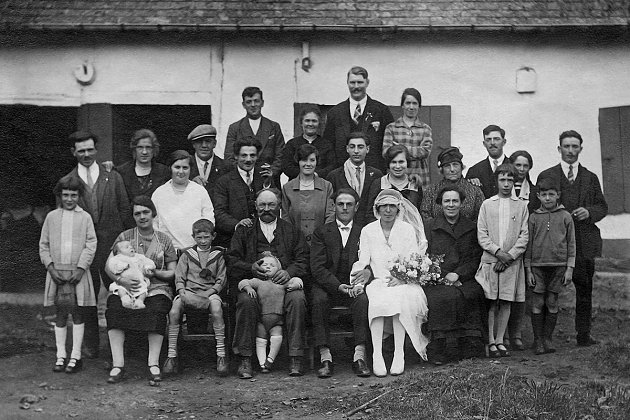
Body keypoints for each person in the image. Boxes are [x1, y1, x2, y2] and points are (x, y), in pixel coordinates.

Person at [61, 130, 131, 358]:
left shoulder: (112, 176)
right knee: (86, 297)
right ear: (73, 153)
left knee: (120, 292)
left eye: (90, 149)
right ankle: (91, 343)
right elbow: (65, 220)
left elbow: (124, 210)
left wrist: (124, 244)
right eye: (81, 151)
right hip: (84, 250)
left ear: (96, 149)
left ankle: (120, 343)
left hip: (112, 246)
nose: (87, 154)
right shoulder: (68, 183)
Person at [227, 189, 308, 379]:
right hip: (255, 285)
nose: (266, 209)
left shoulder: (291, 230)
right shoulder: (244, 231)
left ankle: (295, 356)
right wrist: (250, 268)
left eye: (271, 205)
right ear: (255, 207)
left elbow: (303, 258)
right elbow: (231, 260)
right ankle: (245, 358)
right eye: (262, 205)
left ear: (279, 206)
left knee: (297, 298)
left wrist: (289, 272)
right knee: (245, 301)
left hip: (283, 286)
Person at [537, 130, 608, 347]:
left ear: (580, 149)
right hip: (553, 244)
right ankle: (542, 338)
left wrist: (589, 212)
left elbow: (602, 207)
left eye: (574, 146)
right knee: (545, 290)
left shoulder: (590, 177)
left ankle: (583, 334)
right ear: (559, 149)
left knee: (584, 288)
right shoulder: (547, 175)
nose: (570, 151)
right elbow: (537, 207)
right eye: (566, 146)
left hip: (584, 241)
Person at [351, 189, 429, 377]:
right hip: (378, 280)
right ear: (377, 209)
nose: (388, 210)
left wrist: (402, 277)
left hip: (402, 281)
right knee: (376, 298)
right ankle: (377, 354)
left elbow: (413, 257)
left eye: (392, 206)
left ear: (398, 208)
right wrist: (358, 282)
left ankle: (398, 353)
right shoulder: (368, 230)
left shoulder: (406, 229)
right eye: (384, 206)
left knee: (399, 298)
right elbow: (363, 260)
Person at [104, 196, 178, 385]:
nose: (142, 216)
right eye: (137, 213)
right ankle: (118, 364)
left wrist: (156, 272)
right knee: (114, 306)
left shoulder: (164, 239)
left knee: (157, 307)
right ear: (133, 216)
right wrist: (121, 280)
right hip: (126, 287)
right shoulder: (124, 238)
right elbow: (108, 266)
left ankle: (153, 363)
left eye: (146, 212)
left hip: (157, 287)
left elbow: (173, 272)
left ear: (153, 213)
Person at [310, 188, 372, 378]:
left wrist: (369, 272)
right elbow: (317, 267)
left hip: (354, 285)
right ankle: (325, 356)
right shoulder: (322, 232)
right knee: (318, 299)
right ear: (334, 206)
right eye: (340, 204)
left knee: (363, 301)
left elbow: (374, 259)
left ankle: (359, 356)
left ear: (357, 207)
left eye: (349, 204)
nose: (345, 208)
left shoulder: (365, 232)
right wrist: (337, 286)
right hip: (329, 285)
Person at [39, 177, 97, 373]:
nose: (70, 199)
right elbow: (44, 245)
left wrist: (81, 268)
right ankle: (60, 355)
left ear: (79, 196)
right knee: (61, 314)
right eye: (66, 195)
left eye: (74, 195)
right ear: (60, 196)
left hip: (78, 273)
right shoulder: (52, 217)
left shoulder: (85, 217)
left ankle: (76, 356)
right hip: (57, 273)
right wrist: (51, 268)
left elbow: (91, 244)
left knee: (78, 313)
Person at [423, 186, 485, 364]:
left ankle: (469, 341)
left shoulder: (471, 227)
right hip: (437, 277)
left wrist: (458, 274)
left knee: (473, 293)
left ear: (461, 203)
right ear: (440, 204)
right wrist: (444, 275)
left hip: (464, 277)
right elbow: (425, 256)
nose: (451, 205)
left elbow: (475, 257)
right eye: (447, 201)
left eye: (455, 201)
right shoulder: (430, 226)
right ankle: (439, 345)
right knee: (441, 296)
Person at [475, 164, 529, 358]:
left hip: (511, 263)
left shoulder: (521, 206)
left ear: (515, 182)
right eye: (502, 180)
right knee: (492, 302)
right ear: (496, 181)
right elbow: (482, 234)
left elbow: (524, 236)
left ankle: (500, 340)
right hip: (491, 260)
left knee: (506, 301)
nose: (506, 184)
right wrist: (498, 252)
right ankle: (490, 340)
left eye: (510, 180)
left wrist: (509, 256)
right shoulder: (488, 204)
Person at [163, 219, 228, 376]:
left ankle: (221, 354)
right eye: (199, 238)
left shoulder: (217, 255)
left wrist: (212, 291)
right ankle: (171, 355)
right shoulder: (187, 255)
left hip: (210, 292)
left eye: (207, 237)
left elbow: (221, 278)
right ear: (194, 237)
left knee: (217, 309)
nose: (203, 241)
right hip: (189, 291)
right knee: (174, 311)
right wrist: (181, 290)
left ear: (213, 236)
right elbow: (179, 276)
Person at [525, 178, 576, 355]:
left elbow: (571, 244)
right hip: (538, 266)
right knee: (537, 301)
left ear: (558, 195)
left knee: (552, 301)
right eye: (544, 195)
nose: (547, 198)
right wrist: (528, 269)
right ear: (538, 196)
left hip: (558, 266)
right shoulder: (533, 217)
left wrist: (569, 268)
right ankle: (538, 339)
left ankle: (548, 338)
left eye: (551, 194)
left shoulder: (565, 216)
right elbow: (528, 245)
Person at [238, 252, 303, 373]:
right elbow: (243, 282)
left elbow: (297, 280)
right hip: (262, 319)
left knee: (276, 337)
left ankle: (270, 360)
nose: (268, 267)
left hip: (277, 321)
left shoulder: (282, 282)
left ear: (279, 269)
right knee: (260, 339)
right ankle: (261, 363)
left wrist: (295, 284)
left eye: (272, 265)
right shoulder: (258, 281)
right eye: (264, 265)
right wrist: (248, 288)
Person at [323, 66, 394, 171]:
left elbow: (389, 145)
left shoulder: (381, 110)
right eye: (352, 82)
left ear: (367, 82)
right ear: (347, 83)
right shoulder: (335, 113)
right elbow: (328, 146)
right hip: (342, 174)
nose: (356, 86)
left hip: (374, 173)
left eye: (360, 82)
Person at [504, 150, 540, 351]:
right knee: (505, 290)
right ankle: (503, 334)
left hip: (526, 244)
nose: (521, 170)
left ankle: (516, 332)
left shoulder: (534, 192)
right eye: (518, 165)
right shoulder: (502, 187)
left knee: (522, 291)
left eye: (525, 166)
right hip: (506, 244)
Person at [151, 150, 215, 251]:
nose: (181, 172)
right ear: (170, 168)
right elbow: (154, 224)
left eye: (185, 168)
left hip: (196, 250)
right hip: (168, 252)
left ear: (190, 169)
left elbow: (209, 219)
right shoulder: (159, 193)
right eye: (177, 167)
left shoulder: (200, 191)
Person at [213, 137, 270, 248]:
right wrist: (237, 224)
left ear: (257, 156)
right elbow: (219, 213)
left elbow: (276, 206)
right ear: (236, 156)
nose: (248, 160)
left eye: (252, 155)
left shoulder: (264, 177)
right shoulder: (224, 181)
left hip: (262, 241)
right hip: (234, 240)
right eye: (244, 155)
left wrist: (268, 183)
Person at [225, 86, 285, 187]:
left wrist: (273, 171)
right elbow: (229, 157)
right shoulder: (235, 128)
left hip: (268, 179)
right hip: (243, 181)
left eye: (256, 101)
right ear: (243, 105)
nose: (253, 105)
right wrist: (244, 172)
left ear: (262, 103)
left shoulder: (274, 126)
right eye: (249, 102)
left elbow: (281, 154)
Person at [281, 143, 335, 245]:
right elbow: (285, 218)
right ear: (298, 161)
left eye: (312, 160)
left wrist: (322, 237)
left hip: (321, 243)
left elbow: (330, 215)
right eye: (304, 160)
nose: (308, 164)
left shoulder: (327, 186)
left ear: (317, 162)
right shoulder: (287, 188)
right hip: (295, 244)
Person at [326, 132, 383, 226]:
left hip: (369, 226)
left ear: (367, 149)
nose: (356, 151)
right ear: (347, 149)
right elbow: (330, 207)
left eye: (360, 147)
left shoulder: (376, 175)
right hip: (343, 226)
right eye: (352, 147)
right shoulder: (334, 176)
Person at [382, 88, 433, 187]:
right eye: (408, 103)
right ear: (402, 105)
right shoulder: (391, 128)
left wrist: (400, 148)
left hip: (419, 175)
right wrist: (416, 151)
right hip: (395, 177)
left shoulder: (425, 128)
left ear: (419, 106)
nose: (411, 107)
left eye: (414, 103)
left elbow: (425, 151)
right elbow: (386, 152)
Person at [421, 147, 485, 223]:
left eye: (455, 165)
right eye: (447, 166)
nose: (452, 169)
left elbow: (481, 217)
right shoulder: (431, 191)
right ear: (442, 170)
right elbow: (425, 215)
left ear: (461, 167)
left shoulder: (474, 191)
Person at [366, 144, 423, 223]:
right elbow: (370, 214)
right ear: (388, 164)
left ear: (407, 162)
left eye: (401, 162)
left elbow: (419, 213)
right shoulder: (379, 184)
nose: (397, 166)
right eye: (393, 162)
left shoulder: (414, 184)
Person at [115, 129, 170, 201]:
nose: (144, 152)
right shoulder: (122, 171)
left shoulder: (164, 172)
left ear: (154, 149)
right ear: (134, 149)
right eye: (140, 147)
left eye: (148, 147)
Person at [281, 107, 336, 180]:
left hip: (321, 185)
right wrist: (304, 175)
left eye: (314, 121)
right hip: (296, 185)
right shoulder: (292, 144)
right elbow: (287, 166)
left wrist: (316, 174)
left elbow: (331, 166)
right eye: (307, 121)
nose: (310, 124)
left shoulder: (327, 144)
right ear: (301, 123)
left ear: (319, 123)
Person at [107, 241, 156, 310]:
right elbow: (112, 267)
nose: (130, 247)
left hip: (139, 282)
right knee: (121, 290)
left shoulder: (139, 256)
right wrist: (122, 266)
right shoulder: (118, 258)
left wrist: (148, 267)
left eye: (131, 246)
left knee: (143, 292)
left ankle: (139, 302)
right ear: (118, 253)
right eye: (127, 247)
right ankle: (125, 299)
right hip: (123, 283)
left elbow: (147, 261)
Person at [466, 124, 511, 199]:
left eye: (496, 139)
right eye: (488, 139)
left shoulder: (514, 166)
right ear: (484, 144)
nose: (492, 143)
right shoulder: (474, 171)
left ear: (504, 142)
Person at [188, 124, 227, 199]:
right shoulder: (185, 166)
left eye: (208, 141)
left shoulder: (226, 167)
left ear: (214, 143)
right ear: (193, 144)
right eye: (199, 142)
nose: (204, 145)